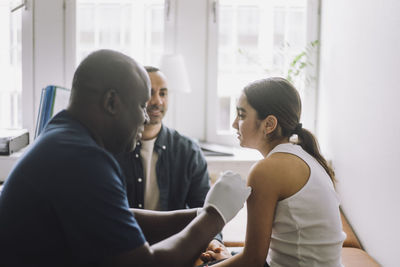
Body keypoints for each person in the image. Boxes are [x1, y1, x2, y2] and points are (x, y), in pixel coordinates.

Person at [0, 49, 251, 267]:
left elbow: (123, 217)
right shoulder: (83, 159)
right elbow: (143, 265)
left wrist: (200, 214)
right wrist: (214, 216)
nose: (146, 117)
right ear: (111, 102)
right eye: (141, 105)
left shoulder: (63, 135)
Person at [201, 77, 346, 267]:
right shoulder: (302, 155)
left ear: (269, 124)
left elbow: (252, 260)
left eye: (242, 115)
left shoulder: (266, 171)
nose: (234, 123)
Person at [116, 65, 225, 249]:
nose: (157, 100)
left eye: (163, 93)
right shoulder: (112, 147)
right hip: (123, 249)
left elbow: (206, 210)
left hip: (175, 251)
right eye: (150, 92)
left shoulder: (189, 151)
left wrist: (215, 243)